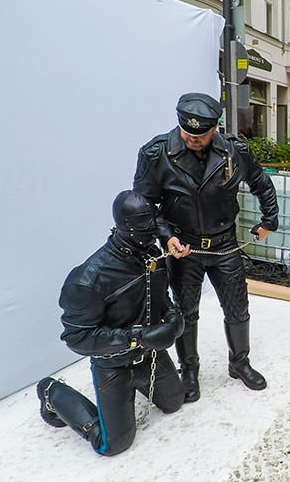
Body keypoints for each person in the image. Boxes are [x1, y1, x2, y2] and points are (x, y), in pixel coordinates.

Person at [134, 92, 278, 401]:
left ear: (215, 128)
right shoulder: (156, 153)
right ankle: (189, 370)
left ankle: (239, 362)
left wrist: (270, 220)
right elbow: (143, 205)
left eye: (200, 134)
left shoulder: (235, 151)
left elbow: (262, 184)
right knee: (186, 311)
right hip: (184, 246)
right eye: (187, 132)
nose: (192, 139)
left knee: (238, 308)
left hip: (224, 244)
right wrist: (166, 236)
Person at [36, 190, 185, 456]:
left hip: (149, 355)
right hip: (113, 363)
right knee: (113, 445)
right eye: (144, 226)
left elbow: (162, 298)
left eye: (152, 222)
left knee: (175, 402)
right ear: (124, 226)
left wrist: (173, 318)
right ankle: (51, 391)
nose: (152, 232)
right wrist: (139, 337)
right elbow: (77, 338)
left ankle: (143, 381)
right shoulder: (88, 279)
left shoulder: (152, 256)